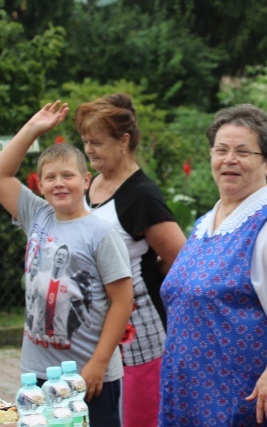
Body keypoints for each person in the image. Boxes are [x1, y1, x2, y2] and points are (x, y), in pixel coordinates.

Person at [0, 100, 134, 426]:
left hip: (89, 374)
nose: (59, 183)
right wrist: (34, 128)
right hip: (38, 373)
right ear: (39, 184)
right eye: (50, 177)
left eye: (68, 175)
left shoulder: (101, 232)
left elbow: (123, 301)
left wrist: (98, 362)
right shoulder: (36, 214)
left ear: (86, 180)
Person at [159, 104, 267, 426]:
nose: (229, 159)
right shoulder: (204, 224)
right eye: (221, 150)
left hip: (246, 399)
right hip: (191, 394)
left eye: (243, 151)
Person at [74, 93, 186, 427]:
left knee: (138, 416)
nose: (89, 150)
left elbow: (180, 259)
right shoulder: (94, 183)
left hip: (140, 330)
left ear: (123, 141)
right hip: (98, 324)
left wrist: (149, 273)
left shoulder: (141, 195)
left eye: (97, 142)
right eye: (85, 142)